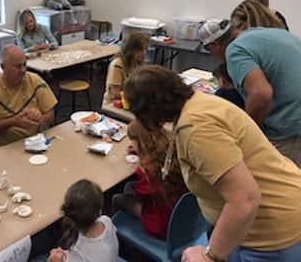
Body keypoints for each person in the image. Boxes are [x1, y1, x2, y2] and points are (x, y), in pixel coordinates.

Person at [124, 65, 301, 262]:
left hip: (271, 233)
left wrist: (209, 255)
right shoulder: (198, 103)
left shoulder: (196, 128)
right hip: (273, 211)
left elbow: (245, 199)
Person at [197, 19, 301, 167]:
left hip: (289, 129)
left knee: (277, 186)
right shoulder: (272, 33)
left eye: (209, 51)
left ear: (215, 45)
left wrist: (244, 134)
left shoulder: (235, 50)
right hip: (295, 120)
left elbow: (261, 95)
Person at [0, 44, 57, 147]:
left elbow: (50, 113)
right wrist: (13, 122)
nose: (23, 70)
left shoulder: (35, 81)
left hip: (33, 142)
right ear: (3, 67)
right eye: (17, 66)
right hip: (1, 147)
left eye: (24, 64)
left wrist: (40, 118)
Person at [111, 120, 186, 239]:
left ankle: (120, 240)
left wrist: (141, 158)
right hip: (179, 211)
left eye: (132, 140)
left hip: (162, 223)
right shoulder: (170, 150)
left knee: (117, 198)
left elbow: (141, 194)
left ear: (139, 141)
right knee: (129, 186)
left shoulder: (146, 168)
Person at [48, 179, 119, 262]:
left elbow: (85, 254)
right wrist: (67, 254)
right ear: (99, 211)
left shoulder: (78, 250)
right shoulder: (106, 221)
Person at [103, 31, 149, 104]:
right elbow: (116, 94)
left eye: (145, 49)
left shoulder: (137, 63)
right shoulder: (117, 65)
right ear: (131, 49)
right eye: (140, 50)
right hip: (114, 104)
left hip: (130, 101)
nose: (144, 53)